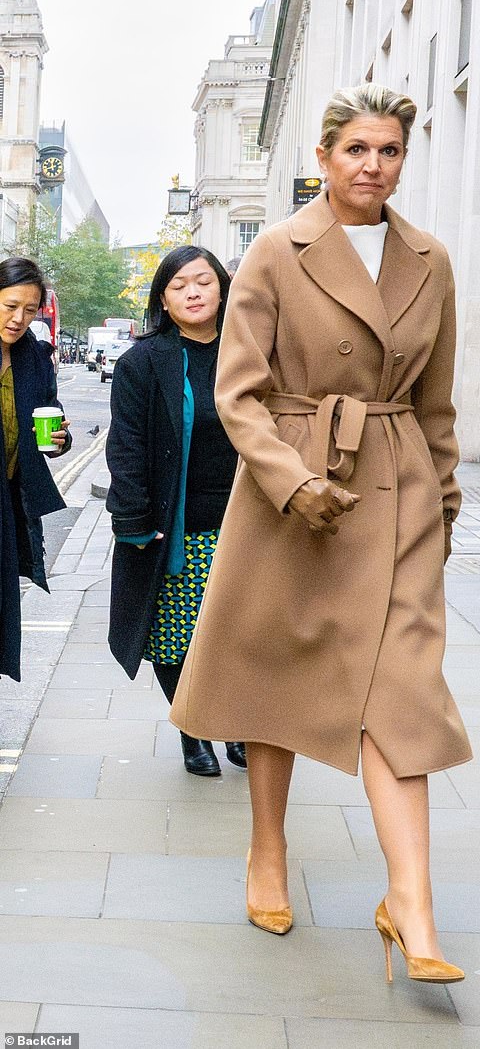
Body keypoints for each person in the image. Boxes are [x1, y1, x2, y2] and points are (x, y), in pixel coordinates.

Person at [170, 85, 472, 984]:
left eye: (389, 151)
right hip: (295, 487)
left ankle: (411, 906)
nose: (372, 166)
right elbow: (238, 392)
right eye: (356, 150)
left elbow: (438, 401)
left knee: (405, 690)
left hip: (399, 490)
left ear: (401, 161)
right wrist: (293, 479)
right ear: (326, 154)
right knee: (278, 671)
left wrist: (444, 504)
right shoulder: (276, 249)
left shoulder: (432, 259)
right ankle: (268, 849)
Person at [106, 246, 246, 777]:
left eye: (204, 282)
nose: (193, 292)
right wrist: (133, 520)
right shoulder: (143, 362)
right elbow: (126, 446)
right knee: (177, 634)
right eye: (179, 284)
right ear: (163, 299)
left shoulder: (248, 352)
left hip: (243, 522)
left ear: (222, 290)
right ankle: (193, 729)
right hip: (177, 523)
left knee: (237, 633)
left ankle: (234, 724)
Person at [0, 257, 71, 681]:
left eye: (29, 310)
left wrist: (60, 439)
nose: (18, 318)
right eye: (10, 306)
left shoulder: (34, 356)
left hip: (9, 508)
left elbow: (50, 410)